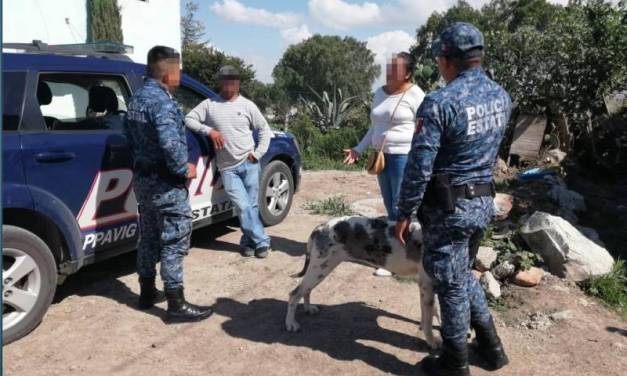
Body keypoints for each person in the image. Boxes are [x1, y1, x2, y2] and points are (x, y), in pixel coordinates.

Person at [394, 23, 511, 375]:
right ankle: (492, 349)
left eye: (439, 58)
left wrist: (404, 212)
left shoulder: (440, 102)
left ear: (447, 60)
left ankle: (455, 361)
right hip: (481, 206)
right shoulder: (500, 95)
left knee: (451, 287)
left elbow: (419, 166)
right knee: (461, 276)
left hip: (449, 211)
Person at [125, 46, 213, 322]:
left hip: (143, 181)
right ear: (169, 72)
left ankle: (146, 292)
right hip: (166, 183)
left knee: (149, 237)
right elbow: (169, 143)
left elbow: (129, 138)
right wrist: (183, 168)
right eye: (179, 70)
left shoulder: (136, 99)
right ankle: (175, 304)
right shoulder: (161, 103)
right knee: (174, 240)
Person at [343, 52, 425, 277]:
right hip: (381, 156)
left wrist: (423, 157)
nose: (389, 71)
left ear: (407, 73)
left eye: (395, 68)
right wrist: (358, 149)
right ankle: (396, 256)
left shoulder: (416, 94)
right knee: (390, 206)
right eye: (389, 67)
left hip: (403, 156)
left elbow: (424, 127)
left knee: (401, 207)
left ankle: (405, 256)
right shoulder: (380, 92)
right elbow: (374, 127)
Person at [185, 65, 272, 258]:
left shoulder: (248, 105)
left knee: (251, 206)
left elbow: (265, 130)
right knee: (243, 206)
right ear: (220, 82)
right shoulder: (209, 104)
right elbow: (189, 119)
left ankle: (248, 242)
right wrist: (210, 131)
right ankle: (262, 241)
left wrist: (258, 153)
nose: (229, 84)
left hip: (249, 163)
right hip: (228, 168)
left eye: (233, 80)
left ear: (238, 82)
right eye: (225, 80)